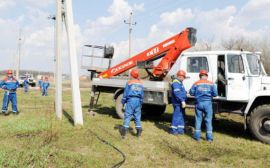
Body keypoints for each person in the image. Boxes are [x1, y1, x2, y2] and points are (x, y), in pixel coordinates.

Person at [189, 70, 218, 141]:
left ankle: (197, 137)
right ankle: (209, 138)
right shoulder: (211, 83)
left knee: (198, 120)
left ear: (200, 76)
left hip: (198, 103)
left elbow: (191, 93)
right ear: (206, 76)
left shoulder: (196, 83)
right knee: (208, 120)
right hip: (208, 103)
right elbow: (215, 94)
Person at [121, 69, 144, 139]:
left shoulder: (129, 82)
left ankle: (124, 135)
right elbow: (142, 95)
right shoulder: (141, 84)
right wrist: (140, 103)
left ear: (131, 75)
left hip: (131, 100)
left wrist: (123, 102)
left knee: (127, 116)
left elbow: (125, 93)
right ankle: (139, 135)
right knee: (137, 117)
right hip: (138, 101)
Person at [170, 70, 187, 134]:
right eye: (184, 77)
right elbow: (177, 92)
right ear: (180, 76)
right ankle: (173, 130)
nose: (184, 79)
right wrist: (182, 100)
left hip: (180, 102)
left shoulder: (179, 82)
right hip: (178, 102)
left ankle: (180, 129)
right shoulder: (176, 82)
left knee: (182, 115)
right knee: (177, 116)